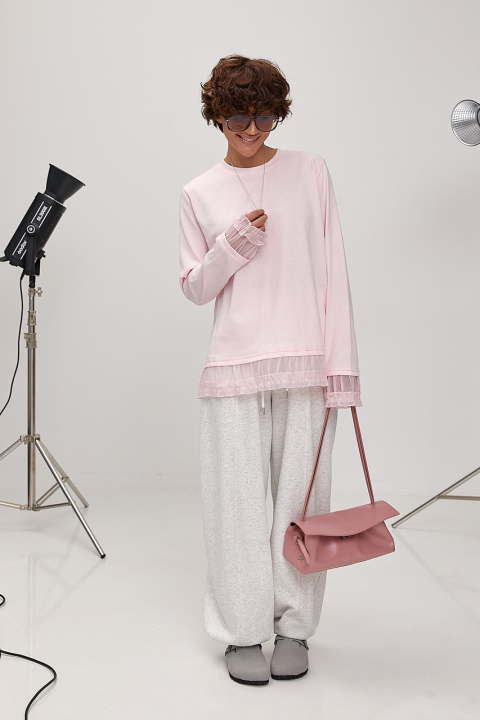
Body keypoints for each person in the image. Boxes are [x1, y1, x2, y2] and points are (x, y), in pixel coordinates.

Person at [179, 55, 361, 686]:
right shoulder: (198, 191)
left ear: (276, 114)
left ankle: (295, 627)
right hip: (233, 361)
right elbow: (195, 288)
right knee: (233, 502)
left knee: (303, 501)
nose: (251, 131)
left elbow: (334, 269)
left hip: (307, 360)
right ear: (217, 117)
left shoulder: (310, 171)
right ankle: (241, 630)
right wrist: (231, 247)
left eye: (262, 117)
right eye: (237, 119)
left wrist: (342, 368)